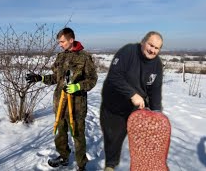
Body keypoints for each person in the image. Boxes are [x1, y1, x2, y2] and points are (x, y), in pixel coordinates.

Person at [26, 27, 98, 171]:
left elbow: (92, 79)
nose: (60, 44)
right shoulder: (60, 57)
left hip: (76, 105)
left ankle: (81, 164)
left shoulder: (84, 57)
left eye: (63, 41)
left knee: (77, 135)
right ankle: (64, 157)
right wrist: (40, 78)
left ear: (71, 40)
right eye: (59, 42)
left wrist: (78, 86)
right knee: (61, 133)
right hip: (60, 103)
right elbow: (55, 78)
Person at [100, 31, 164, 171]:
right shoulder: (128, 52)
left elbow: (155, 91)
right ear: (143, 42)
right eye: (150, 45)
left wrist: (156, 112)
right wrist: (132, 94)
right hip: (114, 104)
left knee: (144, 138)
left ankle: (142, 165)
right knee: (114, 138)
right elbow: (114, 77)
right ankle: (110, 165)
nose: (152, 50)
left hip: (136, 106)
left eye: (156, 48)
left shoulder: (157, 64)